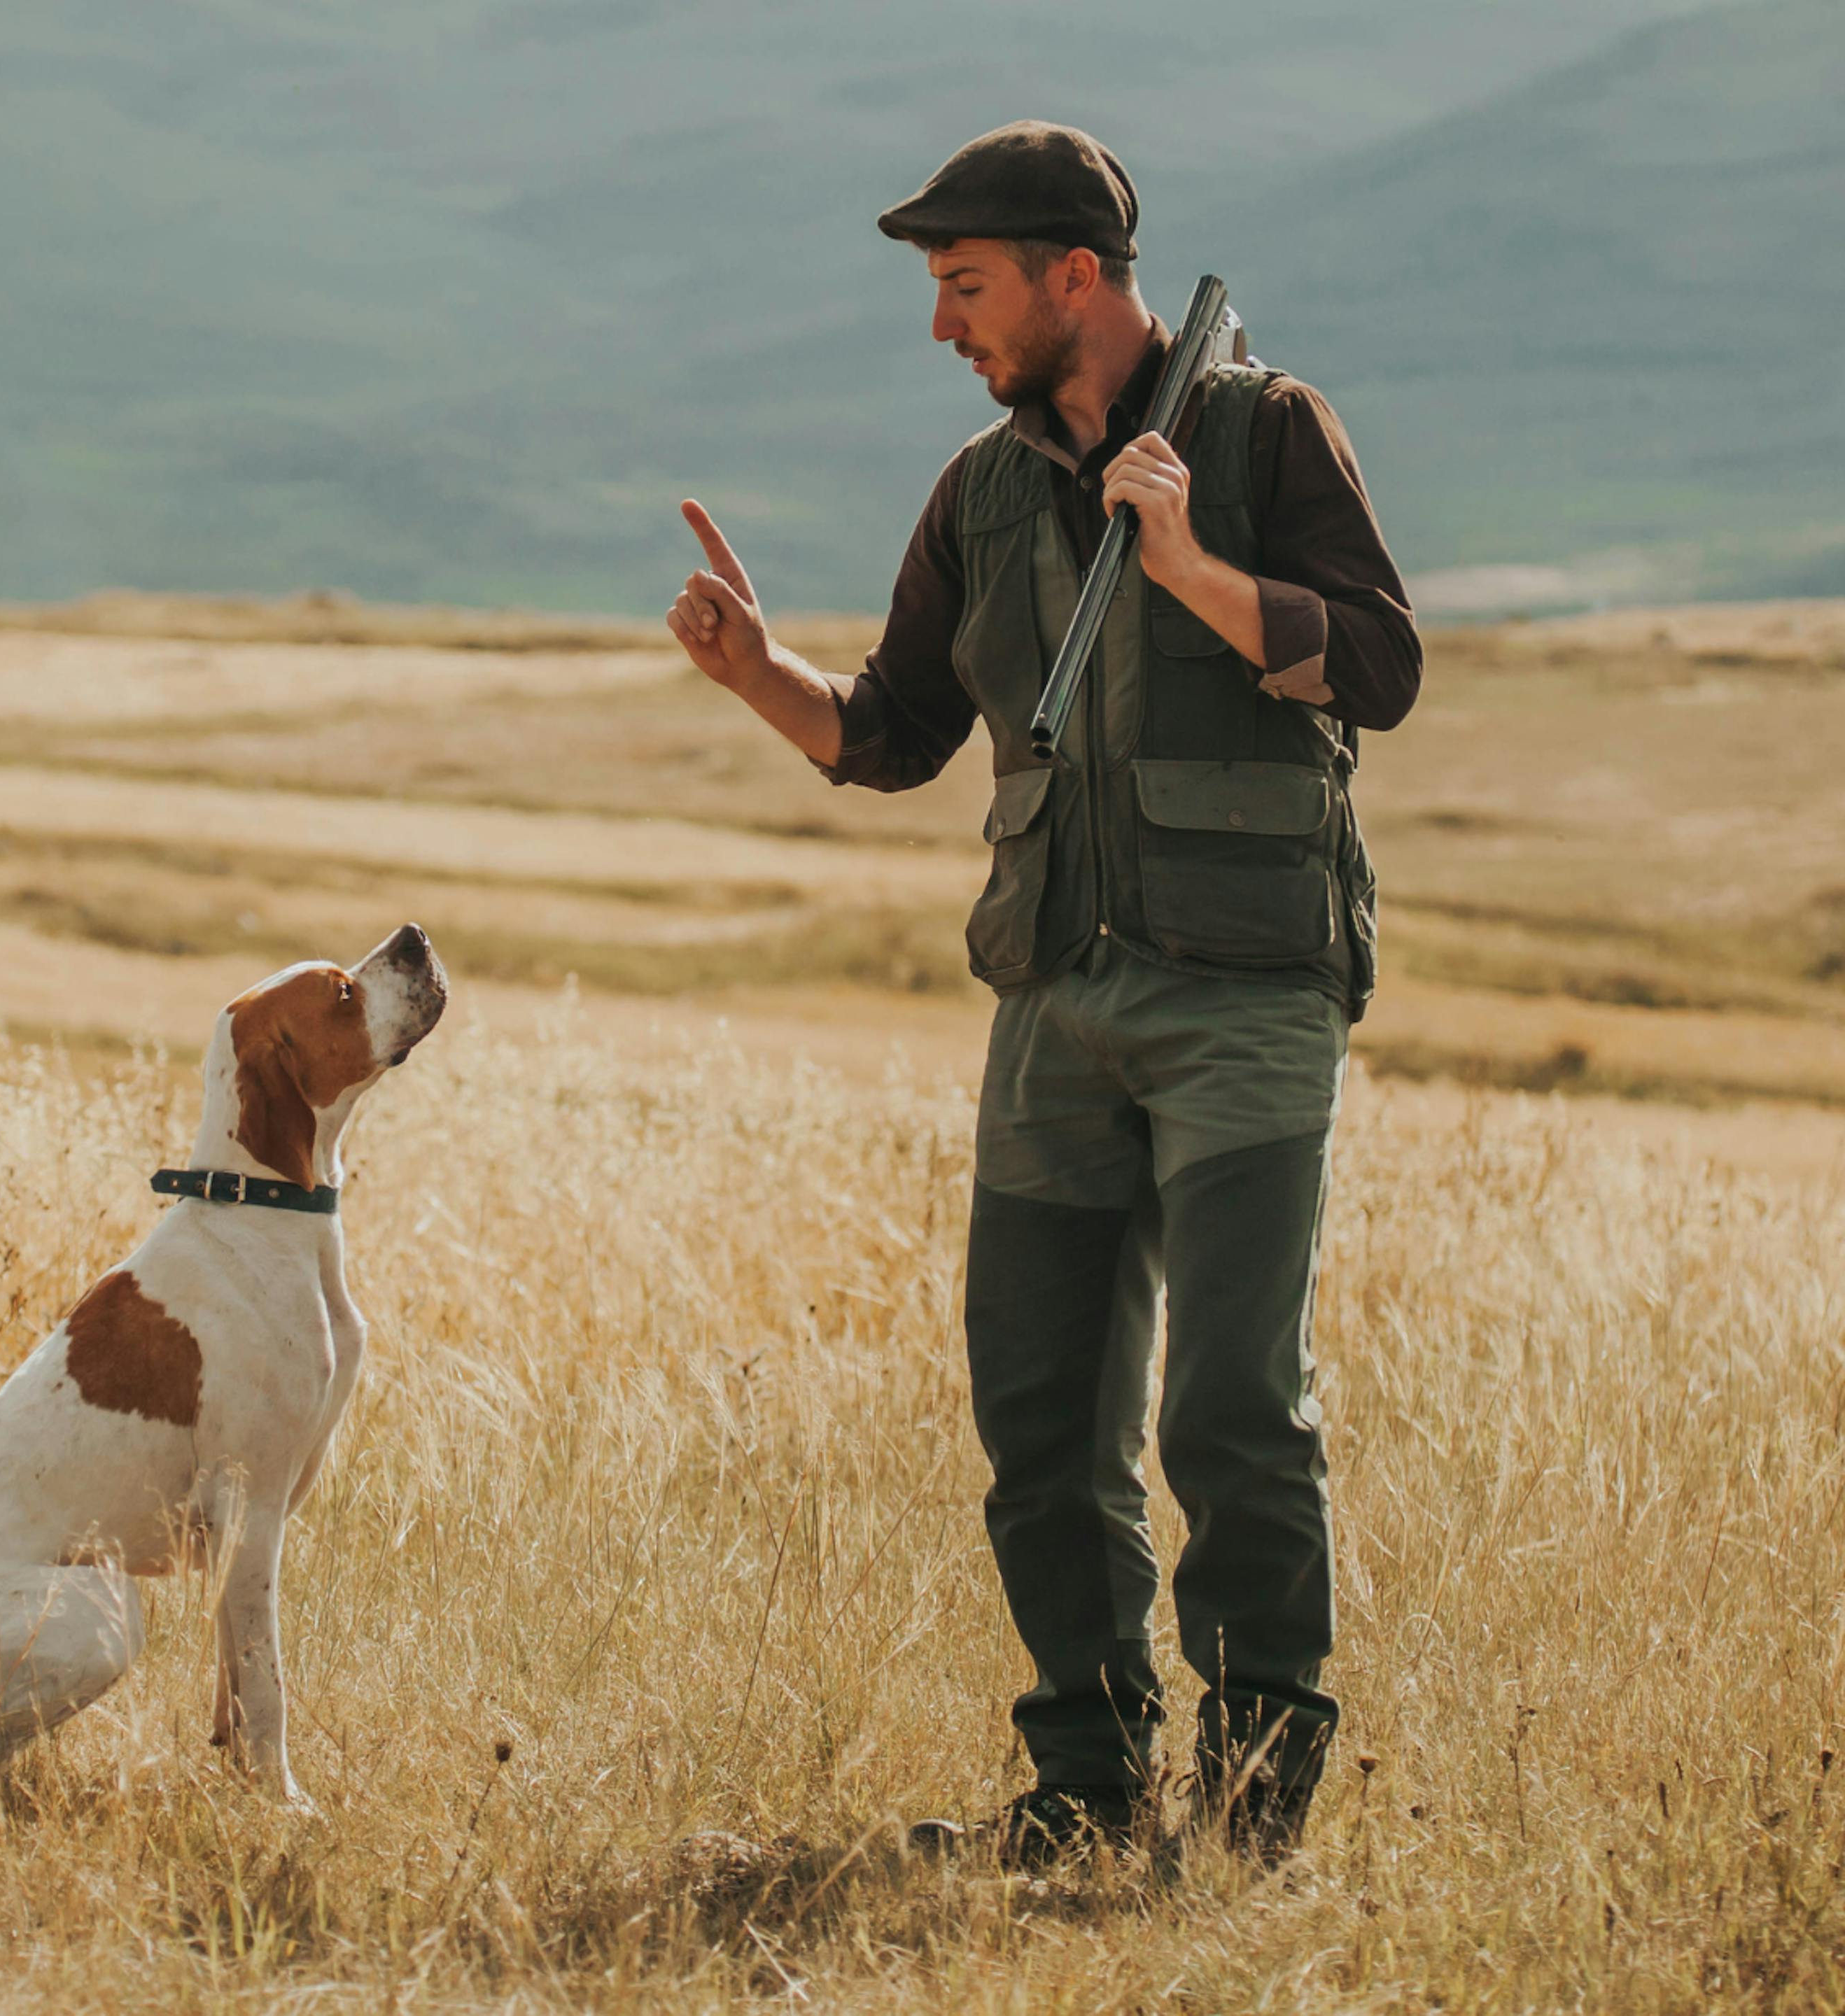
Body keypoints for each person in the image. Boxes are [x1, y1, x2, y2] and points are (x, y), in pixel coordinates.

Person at [666, 119, 1419, 1870]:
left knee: (1229, 1404)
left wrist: (1197, 576)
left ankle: (1247, 1815)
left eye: (966, 286)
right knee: (1038, 1413)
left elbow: (1378, 663)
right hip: (1054, 1009)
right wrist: (752, 672)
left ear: (1075, 275)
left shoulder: (1262, 432)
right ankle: (1088, 1789)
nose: (944, 325)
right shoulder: (985, 490)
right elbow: (894, 735)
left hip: (1244, 1001)